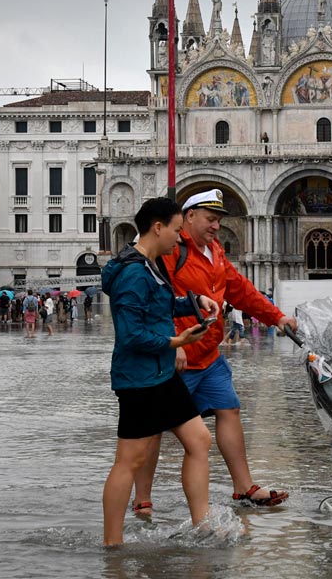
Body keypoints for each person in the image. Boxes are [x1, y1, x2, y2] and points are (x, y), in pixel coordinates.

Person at [130, 189, 296, 515]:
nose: (216, 226)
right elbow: (151, 301)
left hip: (209, 355)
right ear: (188, 217)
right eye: (210, 219)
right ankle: (142, 499)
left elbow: (241, 291)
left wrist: (277, 317)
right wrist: (170, 340)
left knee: (229, 409)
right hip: (175, 357)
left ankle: (244, 487)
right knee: (153, 429)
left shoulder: (216, 252)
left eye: (219, 220)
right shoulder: (169, 252)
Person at [100, 197, 218, 547]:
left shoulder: (151, 264)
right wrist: (176, 341)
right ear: (157, 227)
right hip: (139, 379)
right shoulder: (134, 272)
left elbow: (161, 305)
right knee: (129, 461)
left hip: (161, 374)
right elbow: (131, 335)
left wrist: (196, 302)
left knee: (199, 440)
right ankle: (112, 544)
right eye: (177, 230)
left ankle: (203, 526)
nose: (179, 239)